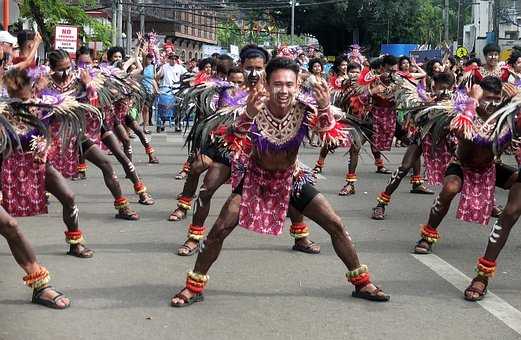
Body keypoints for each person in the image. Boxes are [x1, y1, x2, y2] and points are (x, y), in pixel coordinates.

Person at [170, 57, 389, 307]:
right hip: (256, 180)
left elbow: (331, 138)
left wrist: (326, 107)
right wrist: (248, 115)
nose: (283, 91)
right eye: (277, 84)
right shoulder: (251, 106)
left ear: (297, 86)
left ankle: (362, 283)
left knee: (335, 224)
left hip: (291, 178)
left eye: (289, 85)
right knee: (220, 228)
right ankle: (193, 287)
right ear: (267, 83)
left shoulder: (306, 108)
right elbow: (229, 142)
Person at [412, 76, 517, 255]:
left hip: (488, 169)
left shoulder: (504, 117)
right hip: (462, 166)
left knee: (518, 181)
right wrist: (473, 101)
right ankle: (427, 236)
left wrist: (516, 97)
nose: (491, 104)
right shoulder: (461, 110)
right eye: (487, 98)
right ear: (479, 94)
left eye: (496, 99)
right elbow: (462, 130)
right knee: (450, 189)